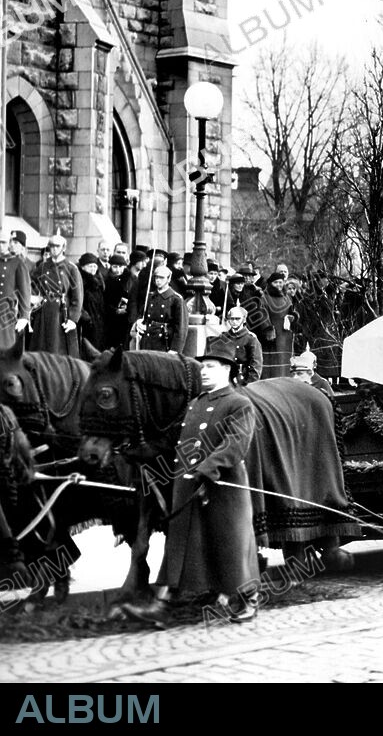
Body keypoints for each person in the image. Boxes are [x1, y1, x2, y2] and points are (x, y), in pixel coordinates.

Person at [121, 336, 260, 625]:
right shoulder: (196, 403)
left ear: (227, 370)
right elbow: (177, 441)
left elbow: (235, 445)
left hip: (222, 489)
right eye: (202, 367)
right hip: (188, 488)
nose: (204, 371)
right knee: (181, 547)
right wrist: (138, 452)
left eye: (210, 366)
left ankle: (249, 599)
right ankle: (163, 607)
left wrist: (208, 468)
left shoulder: (239, 404)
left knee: (231, 546)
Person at [28, 234, 82, 358]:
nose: (54, 249)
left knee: (58, 352)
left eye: (57, 246)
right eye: (51, 246)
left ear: (64, 248)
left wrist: (73, 319)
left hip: (61, 314)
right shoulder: (43, 266)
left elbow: (77, 296)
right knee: (40, 351)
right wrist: (33, 297)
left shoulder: (71, 268)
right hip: (43, 312)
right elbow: (31, 284)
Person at [134, 266, 187, 353]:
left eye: (162, 277)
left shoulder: (176, 299)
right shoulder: (150, 296)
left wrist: (175, 349)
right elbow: (142, 314)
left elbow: (181, 327)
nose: (158, 280)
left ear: (168, 279)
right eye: (156, 277)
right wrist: (139, 322)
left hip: (164, 342)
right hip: (147, 340)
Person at [259, 272, 297, 378]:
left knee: (285, 359)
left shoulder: (286, 297)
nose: (279, 285)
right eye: (276, 282)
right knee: (274, 361)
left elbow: (291, 311)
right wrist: (268, 329)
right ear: (270, 284)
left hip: (285, 333)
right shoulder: (265, 298)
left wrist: (292, 317)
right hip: (274, 335)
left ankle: (285, 379)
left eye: (280, 282)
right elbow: (263, 315)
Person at [0, 232, 31, 350]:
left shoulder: (17, 263)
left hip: (6, 313)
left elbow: (25, 292)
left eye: (3, 243)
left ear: (9, 244)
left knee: (6, 348)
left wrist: (24, 316)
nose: (0, 245)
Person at [220, 306, 263, 386]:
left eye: (237, 319)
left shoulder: (250, 339)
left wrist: (250, 385)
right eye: (232, 319)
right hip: (225, 379)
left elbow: (256, 365)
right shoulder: (224, 337)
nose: (234, 322)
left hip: (243, 380)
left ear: (244, 320)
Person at [76, 253, 106, 354]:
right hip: (86, 322)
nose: (93, 269)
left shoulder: (99, 281)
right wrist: (86, 317)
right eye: (90, 266)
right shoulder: (80, 281)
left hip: (98, 320)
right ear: (83, 267)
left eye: (94, 266)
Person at [103, 253, 134, 349]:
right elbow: (104, 301)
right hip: (111, 319)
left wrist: (127, 305)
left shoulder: (130, 279)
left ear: (125, 267)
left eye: (120, 267)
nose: (118, 270)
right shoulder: (106, 280)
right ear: (110, 266)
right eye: (115, 267)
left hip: (126, 318)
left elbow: (134, 298)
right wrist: (115, 310)